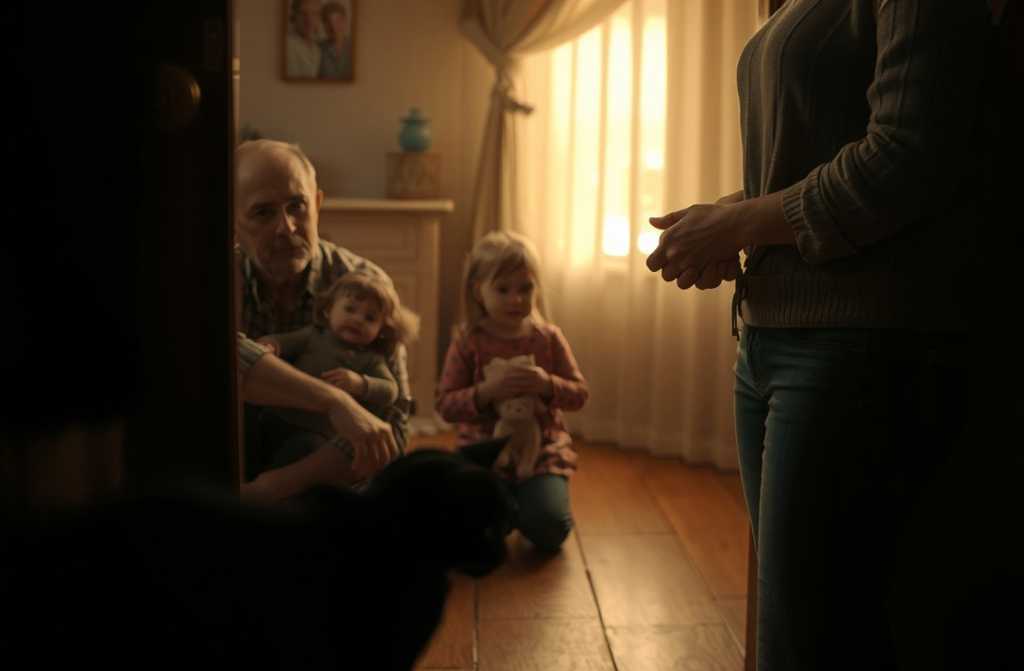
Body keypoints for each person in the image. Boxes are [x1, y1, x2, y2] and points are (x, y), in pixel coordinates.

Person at [644, 2, 1004, 669]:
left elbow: (901, 158)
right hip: (767, 338)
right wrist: (728, 215)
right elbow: (813, 154)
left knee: (807, 642)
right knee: (799, 627)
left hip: (852, 345)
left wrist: (740, 226)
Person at [234, 138, 412, 497]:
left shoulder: (364, 285)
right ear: (232, 221)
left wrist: (276, 487)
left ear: (317, 203)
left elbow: (394, 424)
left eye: (297, 206)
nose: (287, 228)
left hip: (321, 473)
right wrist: (334, 400)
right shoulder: (220, 278)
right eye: (263, 213)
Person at [436, 231, 589, 553]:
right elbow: (445, 405)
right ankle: (508, 509)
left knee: (549, 529)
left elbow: (579, 394)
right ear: (478, 291)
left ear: (537, 289)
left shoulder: (548, 338)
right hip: (482, 452)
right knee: (464, 533)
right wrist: (485, 392)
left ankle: (530, 504)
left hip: (542, 452)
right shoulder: (468, 341)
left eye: (525, 288)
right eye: (503, 289)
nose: (516, 299)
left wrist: (546, 384)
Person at [250, 271, 419, 488]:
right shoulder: (313, 336)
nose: (357, 320)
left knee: (299, 452)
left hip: (316, 433)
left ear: (381, 330)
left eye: (370, 318)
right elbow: (283, 342)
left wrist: (360, 383)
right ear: (328, 310)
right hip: (275, 414)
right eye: (350, 309)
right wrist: (271, 346)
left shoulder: (371, 359)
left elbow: (390, 390)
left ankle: (270, 495)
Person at [286, 0, 323, 78]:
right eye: (303, 14)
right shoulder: (288, 46)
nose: (309, 19)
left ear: (319, 18)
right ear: (294, 16)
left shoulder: (317, 48)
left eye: (314, 14)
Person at [318, 1, 353, 80]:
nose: (333, 27)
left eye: (337, 21)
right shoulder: (318, 49)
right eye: (328, 22)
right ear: (323, 24)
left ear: (345, 22)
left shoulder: (354, 47)